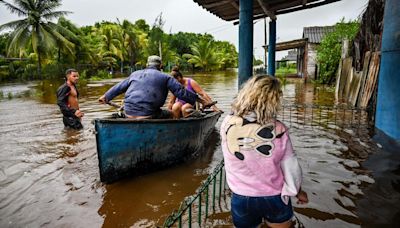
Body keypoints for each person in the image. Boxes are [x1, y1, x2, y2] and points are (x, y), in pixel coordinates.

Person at [220, 75, 308, 228]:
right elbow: (291, 169)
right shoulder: (280, 130)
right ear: (274, 101)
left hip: (241, 197)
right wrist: (298, 191)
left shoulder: (227, 124)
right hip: (274, 197)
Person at [98, 55, 214, 119]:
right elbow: (181, 93)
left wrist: (106, 97)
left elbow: (119, 87)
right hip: (149, 114)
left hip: (128, 113)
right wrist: (201, 101)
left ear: (147, 65)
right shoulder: (165, 77)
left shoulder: (134, 74)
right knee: (171, 114)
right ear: (161, 66)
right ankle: (172, 135)